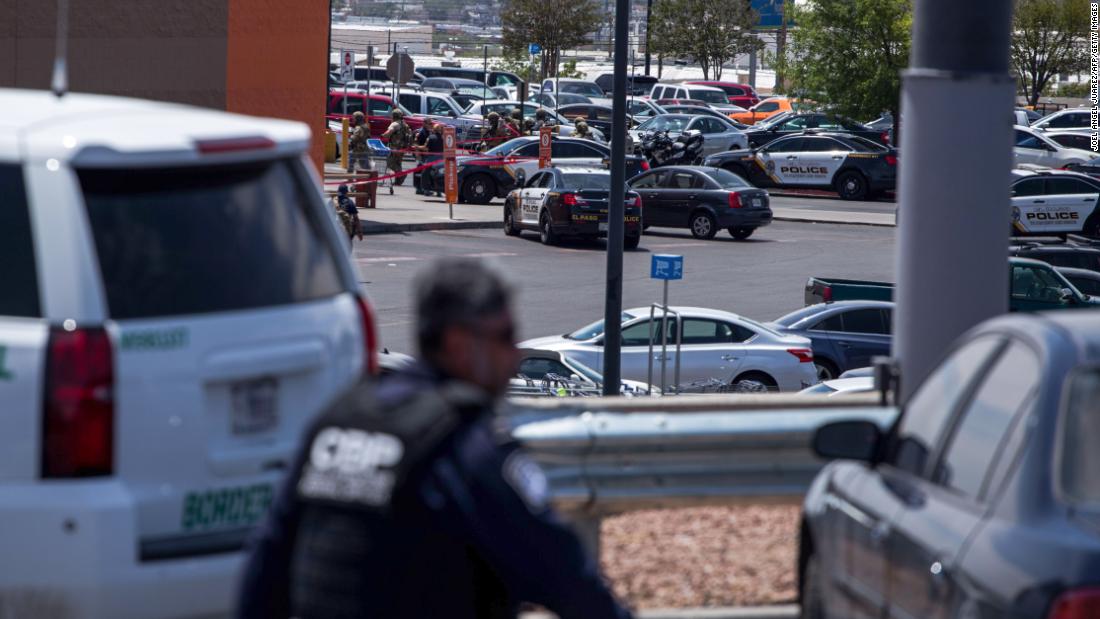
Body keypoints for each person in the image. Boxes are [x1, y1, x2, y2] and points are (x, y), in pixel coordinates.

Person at [237, 259, 633, 619]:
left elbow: (265, 565)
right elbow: (568, 579)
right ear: (459, 344)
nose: (514, 356)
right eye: (505, 336)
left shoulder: (338, 421)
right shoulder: (465, 447)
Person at [381, 108, 412, 186]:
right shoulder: (405, 124)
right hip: (402, 148)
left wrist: (383, 135)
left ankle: (401, 175)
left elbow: (389, 132)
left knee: (390, 163)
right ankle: (398, 181)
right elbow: (409, 134)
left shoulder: (395, 124)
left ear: (394, 116)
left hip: (395, 148)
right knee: (398, 163)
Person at [412, 119, 434, 195]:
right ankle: (419, 188)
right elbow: (416, 144)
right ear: (424, 123)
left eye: (431, 123)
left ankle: (420, 188)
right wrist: (417, 154)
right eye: (429, 123)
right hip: (421, 155)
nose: (431, 125)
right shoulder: (421, 132)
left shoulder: (428, 131)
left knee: (422, 172)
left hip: (426, 155)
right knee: (420, 172)